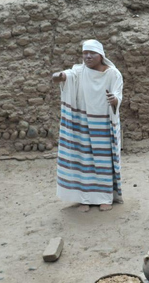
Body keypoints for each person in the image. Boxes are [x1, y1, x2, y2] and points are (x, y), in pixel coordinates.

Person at [51, 39, 123, 212]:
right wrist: (60, 76)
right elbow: (67, 75)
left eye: (92, 53)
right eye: (85, 53)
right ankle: (85, 198)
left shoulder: (113, 74)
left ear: (101, 55)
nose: (88, 56)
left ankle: (105, 197)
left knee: (103, 160)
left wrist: (115, 100)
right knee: (83, 160)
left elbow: (117, 95)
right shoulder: (78, 71)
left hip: (103, 124)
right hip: (82, 123)